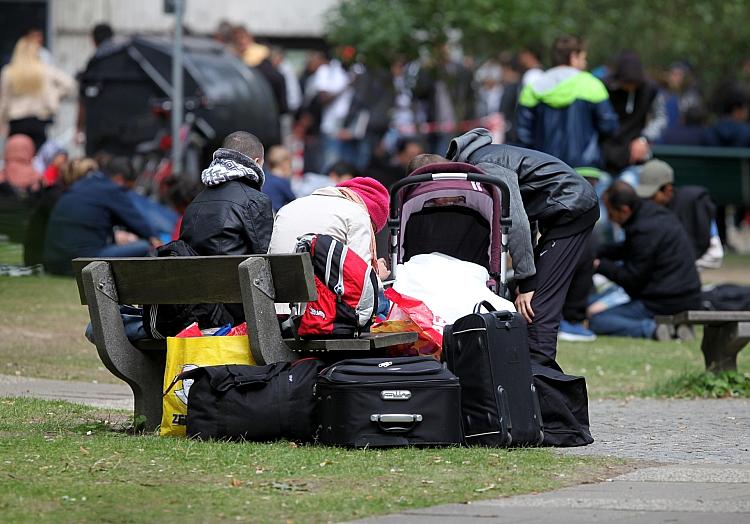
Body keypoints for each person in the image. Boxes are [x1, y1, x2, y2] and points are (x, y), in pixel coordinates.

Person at [448, 128, 599, 367]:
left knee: (537, 305)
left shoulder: (485, 168)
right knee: (531, 297)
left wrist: (527, 281)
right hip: (565, 206)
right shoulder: (486, 157)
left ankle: (540, 381)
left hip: (571, 209)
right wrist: (523, 278)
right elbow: (523, 213)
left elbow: (516, 218)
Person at [590, 181, 702, 339]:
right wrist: (597, 251)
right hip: (685, 296)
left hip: (664, 302)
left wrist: (599, 265)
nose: (609, 218)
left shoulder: (644, 230)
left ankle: (654, 330)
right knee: (592, 302)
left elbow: (632, 278)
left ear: (624, 210)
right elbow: (631, 249)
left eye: (610, 212)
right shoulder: (650, 215)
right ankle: (673, 329)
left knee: (598, 320)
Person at [43, 157, 160, 275]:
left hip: (54, 264)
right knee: (145, 247)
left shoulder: (81, 185)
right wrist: (156, 241)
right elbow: (139, 224)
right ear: (119, 180)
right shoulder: (111, 189)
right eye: (127, 189)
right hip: (83, 264)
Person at [517, 35, 619, 169]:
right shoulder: (592, 85)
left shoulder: (532, 88)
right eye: (583, 58)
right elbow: (609, 126)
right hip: (585, 169)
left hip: (544, 171)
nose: (585, 63)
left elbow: (523, 134)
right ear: (573, 57)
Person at [269, 176, 390, 282]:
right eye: (372, 230)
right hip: (317, 305)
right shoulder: (358, 214)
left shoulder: (290, 207)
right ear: (372, 218)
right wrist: (376, 275)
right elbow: (360, 283)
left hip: (276, 302)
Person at [179, 131, 273, 256]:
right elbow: (266, 255)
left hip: (194, 274)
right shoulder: (255, 200)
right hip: (236, 275)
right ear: (256, 162)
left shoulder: (195, 202)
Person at [636, 159, 723, 270]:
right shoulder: (649, 208)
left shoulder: (694, 201)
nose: (648, 200)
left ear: (668, 190)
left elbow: (712, 252)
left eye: (652, 195)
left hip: (705, 257)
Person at [0, 35, 75, 150]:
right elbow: (69, 83)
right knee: (39, 160)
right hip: (38, 121)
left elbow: (4, 100)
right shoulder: (45, 70)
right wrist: (54, 95)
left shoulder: (9, 72)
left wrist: (1, 122)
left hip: (16, 122)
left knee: (17, 156)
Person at [601, 51, 667, 175]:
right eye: (627, 84)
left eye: (634, 84)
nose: (631, 87)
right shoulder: (604, 87)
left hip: (635, 155)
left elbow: (660, 118)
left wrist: (644, 138)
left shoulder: (651, 89)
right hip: (605, 155)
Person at [262, 145, 297, 212]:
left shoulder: (265, 177)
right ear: (285, 164)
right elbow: (294, 201)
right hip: (274, 215)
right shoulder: (282, 182)